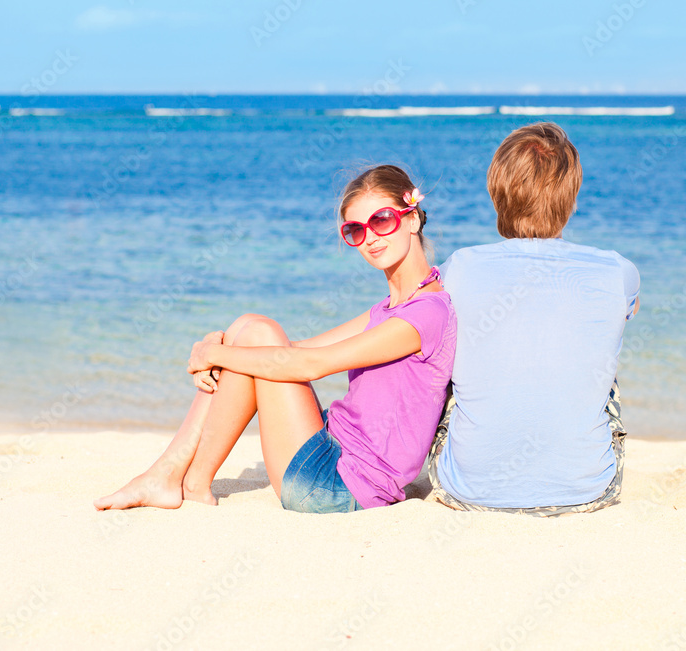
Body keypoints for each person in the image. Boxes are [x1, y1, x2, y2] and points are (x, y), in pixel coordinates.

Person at [95, 165, 456, 514]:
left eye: (381, 220)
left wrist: (213, 353)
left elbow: (311, 365)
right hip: (334, 448)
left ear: (412, 218)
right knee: (249, 328)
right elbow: (298, 349)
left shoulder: (426, 314)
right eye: (355, 230)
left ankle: (179, 478)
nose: (371, 237)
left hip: (338, 487)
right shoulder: (391, 308)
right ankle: (180, 478)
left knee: (257, 334)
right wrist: (220, 346)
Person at [428, 122, 640, 516]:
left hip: (467, 491)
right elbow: (629, 310)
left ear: (496, 194)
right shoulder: (617, 271)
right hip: (588, 491)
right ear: (572, 196)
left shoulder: (456, 270)